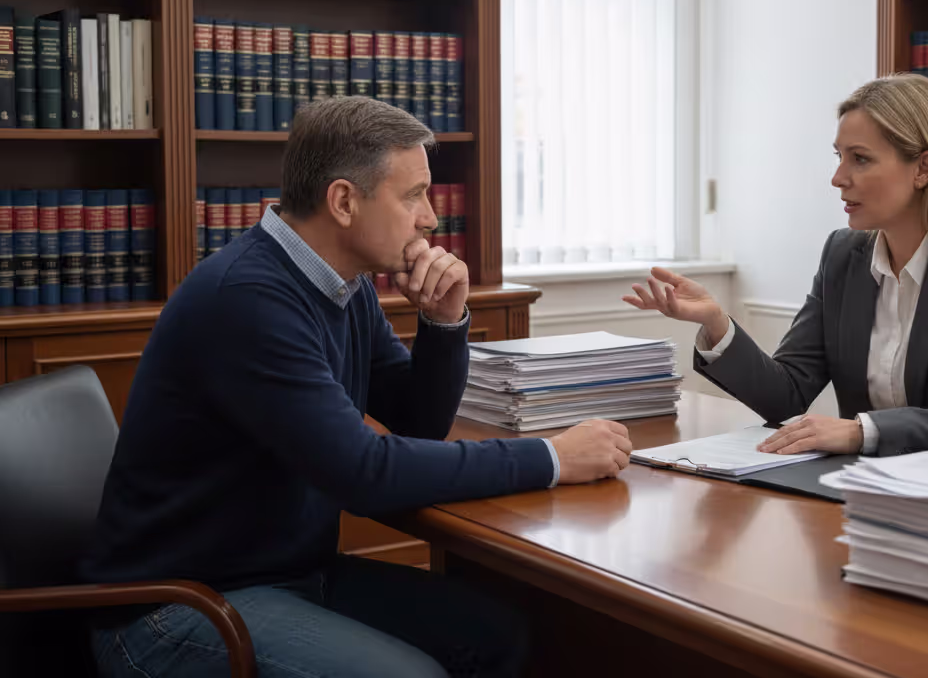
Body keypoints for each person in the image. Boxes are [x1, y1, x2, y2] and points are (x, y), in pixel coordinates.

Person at [83, 97, 633, 678]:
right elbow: (365, 473)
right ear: (344, 201)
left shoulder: (344, 284)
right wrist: (551, 457)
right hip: (176, 609)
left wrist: (444, 325)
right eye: (413, 194)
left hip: (286, 577)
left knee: (502, 635)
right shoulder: (248, 300)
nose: (431, 218)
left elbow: (412, 422)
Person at [624, 73, 928, 458]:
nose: (838, 177)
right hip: (858, 494)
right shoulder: (844, 255)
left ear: (923, 168)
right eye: (839, 156)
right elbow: (787, 394)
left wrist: (863, 432)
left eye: (860, 159)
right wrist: (717, 322)